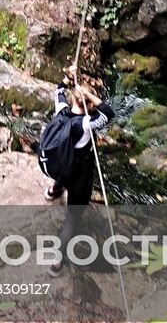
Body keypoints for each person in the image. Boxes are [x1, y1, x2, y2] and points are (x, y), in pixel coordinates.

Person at [37, 69, 115, 267]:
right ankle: (56, 259)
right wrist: (89, 94)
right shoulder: (87, 125)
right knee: (73, 217)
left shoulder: (61, 110)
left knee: (66, 161)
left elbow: (58, 90)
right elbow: (108, 113)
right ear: (88, 105)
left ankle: (53, 191)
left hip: (62, 166)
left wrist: (68, 79)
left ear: (72, 100)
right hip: (79, 173)